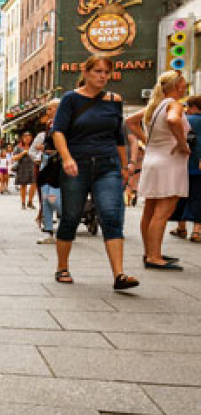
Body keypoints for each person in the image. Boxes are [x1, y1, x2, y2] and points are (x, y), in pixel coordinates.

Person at [51, 55, 137, 290]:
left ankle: (119, 275)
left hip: (107, 166)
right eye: (97, 71)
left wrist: (125, 166)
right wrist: (67, 158)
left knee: (111, 216)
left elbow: (119, 137)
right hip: (77, 165)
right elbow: (58, 131)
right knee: (70, 216)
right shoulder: (70, 99)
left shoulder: (114, 100)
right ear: (86, 72)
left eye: (106, 72)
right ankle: (62, 267)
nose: (102, 76)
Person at [125, 70, 192, 271]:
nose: (185, 85)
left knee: (150, 209)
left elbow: (129, 121)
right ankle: (154, 256)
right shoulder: (174, 105)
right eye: (183, 82)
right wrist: (181, 143)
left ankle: (150, 252)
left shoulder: (155, 106)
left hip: (153, 159)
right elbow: (172, 120)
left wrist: (149, 142)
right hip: (169, 162)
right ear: (176, 85)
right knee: (163, 211)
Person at [168, 95, 201, 242]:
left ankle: (181, 228)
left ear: (193, 107)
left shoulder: (186, 121)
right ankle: (197, 231)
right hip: (198, 167)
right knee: (198, 196)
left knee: (180, 196)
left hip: (183, 164)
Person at [34, 99, 62, 245]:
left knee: (54, 197)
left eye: (50, 109)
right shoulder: (49, 125)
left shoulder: (63, 124)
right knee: (45, 196)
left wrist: (46, 149)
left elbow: (62, 146)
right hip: (47, 165)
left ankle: (65, 220)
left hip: (58, 166)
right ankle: (48, 230)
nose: (47, 112)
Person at [14, 132, 37, 208]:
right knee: (23, 185)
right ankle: (23, 203)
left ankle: (30, 202)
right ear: (22, 138)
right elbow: (14, 158)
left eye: (29, 137)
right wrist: (23, 153)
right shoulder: (18, 147)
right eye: (26, 137)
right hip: (22, 168)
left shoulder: (34, 147)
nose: (27, 139)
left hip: (33, 167)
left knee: (34, 184)